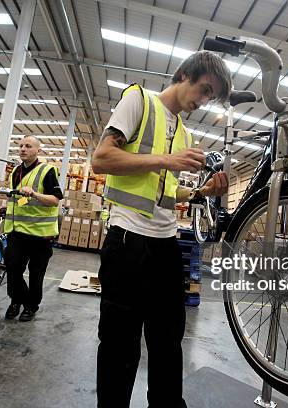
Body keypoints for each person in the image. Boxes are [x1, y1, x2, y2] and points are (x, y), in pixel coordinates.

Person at [92, 51, 232, 408]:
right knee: (120, 345)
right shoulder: (137, 100)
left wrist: (203, 191)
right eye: (203, 90)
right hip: (127, 242)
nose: (202, 101)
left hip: (166, 246)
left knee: (168, 342)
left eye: (209, 97)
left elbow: (167, 191)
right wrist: (167, 160)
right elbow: (102, 159)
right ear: (184, 74)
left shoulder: (183, 132)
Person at [4, 136, 63, 322]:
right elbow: (20, 198)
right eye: (20, 146)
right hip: (17, 230)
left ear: (38, 150)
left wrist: (35, 194)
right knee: (13, 268)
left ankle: (31, 306)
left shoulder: (47, 170)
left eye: (28, 146)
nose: (22, 149)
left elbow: (55, 200)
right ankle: (16, 300)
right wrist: (8, 207)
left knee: (36, 273)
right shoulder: (15, 171)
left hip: (40, 234)